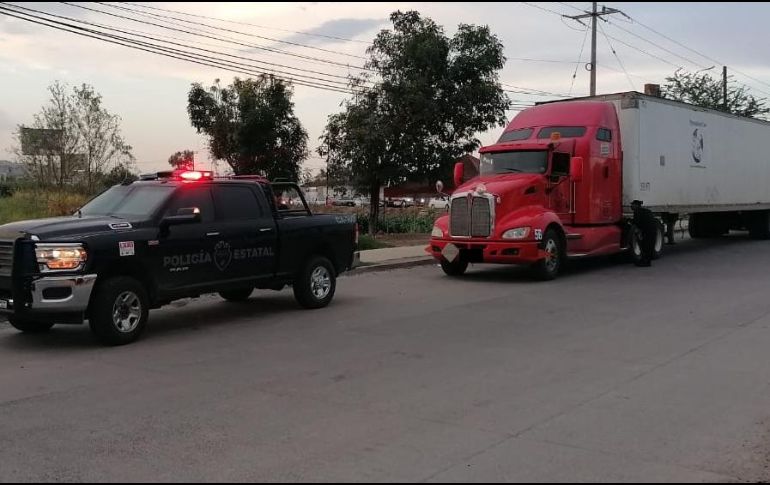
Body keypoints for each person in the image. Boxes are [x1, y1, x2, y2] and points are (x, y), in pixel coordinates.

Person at [631, 200, 657, 267]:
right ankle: (645, 260)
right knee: (648, 246)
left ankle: (646, 262)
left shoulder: (637, 212)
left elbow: (637, 222)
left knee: (645, 246)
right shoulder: (645, 211)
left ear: (637, 205)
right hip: (652, 230)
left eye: (633, 205)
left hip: (648, 231)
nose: (631, 206)